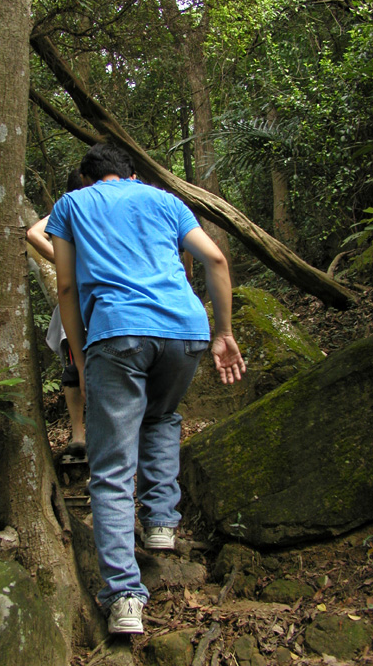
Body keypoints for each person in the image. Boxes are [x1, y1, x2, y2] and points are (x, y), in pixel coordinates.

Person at [45, 142, 245, 635]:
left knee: (112, 466)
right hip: (186, 330)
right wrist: (224, 333)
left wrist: (81, 355)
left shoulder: (71, 204)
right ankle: (160, 523)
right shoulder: (166, 201)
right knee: (161, 416)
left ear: (88, 178)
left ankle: (125, 597)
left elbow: (66, 287)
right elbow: (216, 260)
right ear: (132, 174)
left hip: (117, 332)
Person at [26, 169, 86, 457]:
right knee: (76, 366)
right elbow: (33, 234)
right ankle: (79, 434)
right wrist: (62, 260)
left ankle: (86, 433)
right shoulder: (70, 209)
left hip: (98, 297)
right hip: (78, 299)